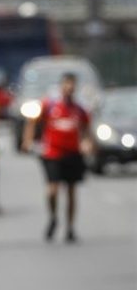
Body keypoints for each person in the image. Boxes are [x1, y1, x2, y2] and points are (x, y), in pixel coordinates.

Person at [22, 72, 92, 242]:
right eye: (66, 84)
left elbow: (86, 129)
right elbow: (33, 121)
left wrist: (87, 143)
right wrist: (27, 140)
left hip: (73, 154)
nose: (69, 88)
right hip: (53, 153)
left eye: (72, 85)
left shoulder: (79, 109)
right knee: (53, 190)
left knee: (71, 191)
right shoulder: (50, 105)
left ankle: (70, 228)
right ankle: (53, 217)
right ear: (62, 86)